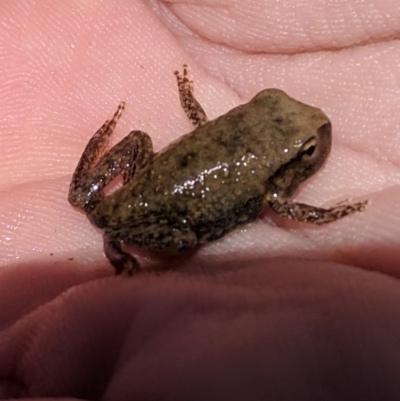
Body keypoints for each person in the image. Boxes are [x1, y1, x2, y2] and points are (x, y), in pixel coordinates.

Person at [1, 1, 400, 399]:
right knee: (184, 240)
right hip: (168, 217)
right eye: (309, 149)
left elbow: (199, 120)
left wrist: (185, 90)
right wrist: (337, 214)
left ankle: (105, 219)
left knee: (138, 142)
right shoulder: (274, 191)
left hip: (150, 181)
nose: (316, 139)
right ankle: (116, 239)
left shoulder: (251, 160)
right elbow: (287, 207)